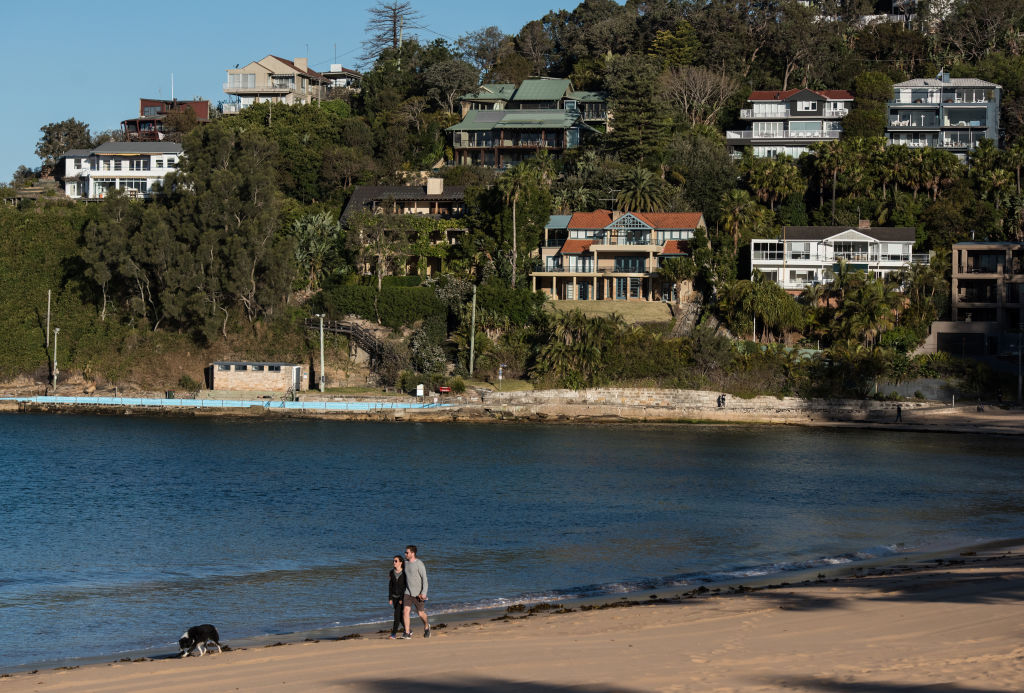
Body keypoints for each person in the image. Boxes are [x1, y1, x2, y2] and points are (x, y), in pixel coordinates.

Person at [401, 544, 429, 639]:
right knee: (405, 611)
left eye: (407, 552)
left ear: (412, 553)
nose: (405, 554)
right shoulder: (405, 563)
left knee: (421, 614)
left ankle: (426, 626)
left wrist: (424, 593)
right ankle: (407, 632)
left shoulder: (419, 564)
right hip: (407, 592)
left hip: (418, 594)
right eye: (405, 552)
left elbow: (425, 579)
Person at [387, 554, 406, 639]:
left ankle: (393, 634)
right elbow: (390, 585)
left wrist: (402, 598)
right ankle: (408, 629)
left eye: (396, 561)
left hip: (402, 598)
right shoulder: (391, 572)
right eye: (393, 561)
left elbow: (405, 587)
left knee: (396, 616)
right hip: (394, 598)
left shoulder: (405, 573)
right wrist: (390, 598)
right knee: (400, 616)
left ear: (400, 562)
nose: (394, 562)